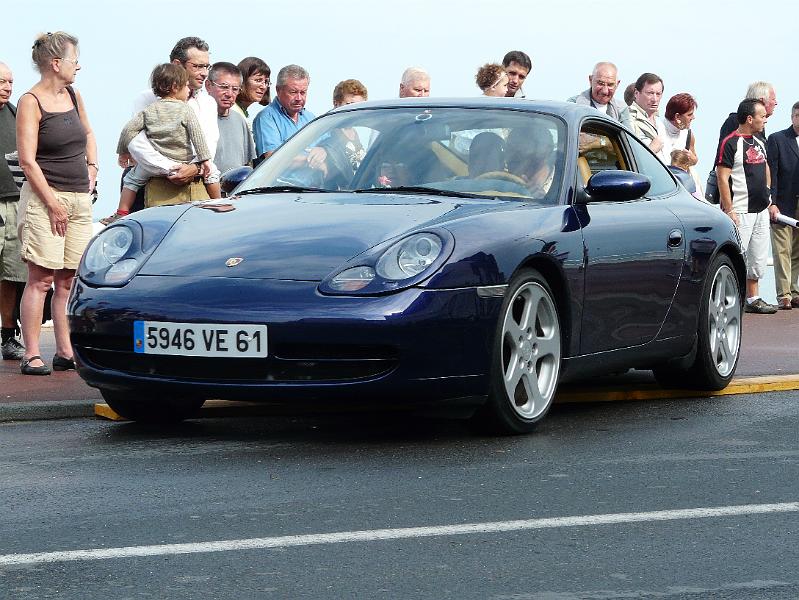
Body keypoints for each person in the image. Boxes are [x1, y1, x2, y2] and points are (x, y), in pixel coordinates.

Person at [16, 32, 97, 374]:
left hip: (79, 198)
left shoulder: (74, 95)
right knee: (41, 278)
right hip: (46, 199)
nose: (78, 65)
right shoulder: (31, 101)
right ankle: (32, 353)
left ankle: (65, 351)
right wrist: (53, 203)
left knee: (68, 279)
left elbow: (89, 134)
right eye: (73, 58)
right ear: (55, 63)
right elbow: (27, 160)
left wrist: (92, 168)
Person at [124, 37, 219, 209]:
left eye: (207, 66)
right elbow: (138, 145)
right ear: (177, 64)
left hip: (199, 187)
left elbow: (208, 142)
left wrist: (195, 169)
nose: (205, 73)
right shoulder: (147, 99)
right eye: (197, 66)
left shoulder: (208, 103)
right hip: (159, 185)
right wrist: (173, 169)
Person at [716, 99, 778, 315]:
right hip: (741, 209)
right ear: (750, 118)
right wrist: (729, 209)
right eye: (762, 115)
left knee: (758, 257)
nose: (765, 119)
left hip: (761, 209)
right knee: (738, 255)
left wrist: (768, 194)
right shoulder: (730, 142)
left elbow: (767, 168)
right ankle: (733, 298)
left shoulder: (760, 141)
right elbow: (722, 177)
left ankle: (754, 298)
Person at [0, 61, 26, 360]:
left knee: (11, 273)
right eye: (2, 81)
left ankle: (8, 336)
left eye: (10, 81)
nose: (8, 87)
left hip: (16, 201)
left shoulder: (16, 111)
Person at [766, 101, 799, 310]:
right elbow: (772, 172)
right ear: (792, 117)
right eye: (797, 115)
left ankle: (795, 292)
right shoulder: (777, 139)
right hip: (782, 202)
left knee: (797, 251)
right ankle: (784, 295)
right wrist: (772, 202)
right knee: (781, 250)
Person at [305, 79, 368, 188]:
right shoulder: (326, 131)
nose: (356, 110)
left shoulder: (357, 131)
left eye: (360, 106)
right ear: (336, 103)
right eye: (350, 105)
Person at [252, 64, 315, 160]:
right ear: (278, 90)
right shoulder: (266, 118)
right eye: (293, 92)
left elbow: (328, 144)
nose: (299, 98)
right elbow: (274, 159)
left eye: (303, 92)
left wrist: (324, 150)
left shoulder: (310, 118)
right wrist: (313, 161)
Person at [205, 62, 255, 175]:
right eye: (224, 87)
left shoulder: (239, 120)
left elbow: (247, 164)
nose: (229, 94)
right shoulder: (198, 117)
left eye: (235, 89)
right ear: (208, 86)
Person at [567, 62, 631, 129]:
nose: (605, 91)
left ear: (617, 84)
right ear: (590, 80)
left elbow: (628, 137)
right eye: (600, 83)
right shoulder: (574, 105)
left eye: (610, 85)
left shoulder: (621, 109)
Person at [662, 93, 702, 194]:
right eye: (689, 114)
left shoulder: (688, 134)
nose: (693, 117)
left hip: (685, 189)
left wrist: (693, 160)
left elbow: (694, 159)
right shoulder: (657, 130)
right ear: (677, 117)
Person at [629, 72, 667, 162]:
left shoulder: (660, 123)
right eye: (650, 93)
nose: (655, 99)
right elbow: (630, 157)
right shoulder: (628, 118)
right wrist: (652, 150)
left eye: (658, 94)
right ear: (636, 93)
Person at [233, 56, 271, 126]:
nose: (263, 86)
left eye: (266, 82)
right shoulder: (231, 111)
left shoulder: (240, 112)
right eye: (258, 80)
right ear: (242, 80)